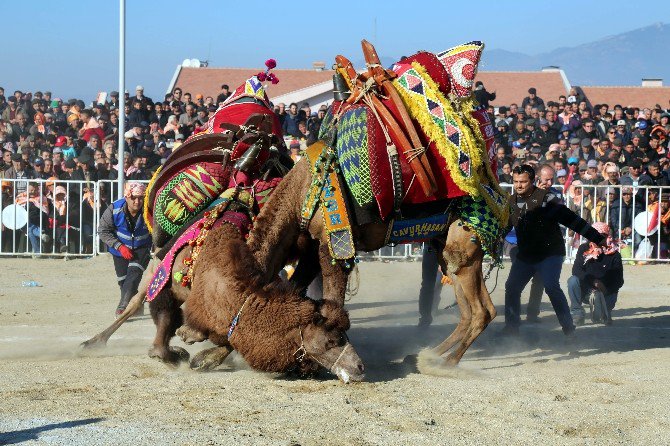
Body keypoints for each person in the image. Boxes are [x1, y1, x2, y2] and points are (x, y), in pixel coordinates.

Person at [503, 164, 606, 336]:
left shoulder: (547, 198)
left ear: (533, 180)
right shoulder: (512, 201)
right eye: (515, 182)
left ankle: (568, 327)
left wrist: (597, 237)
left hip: (550, 253)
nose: (518, 185)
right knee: (512, 287)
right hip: (527, 254)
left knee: (551, 286)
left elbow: (570, 219)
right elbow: (504, 227)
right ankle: (511, 327)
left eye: (523, 182)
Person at [98, 182, 151, 317]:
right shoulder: (114, 209)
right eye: (133, 198)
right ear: (126, 197)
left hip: (142, 247)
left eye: (141, 198)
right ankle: (136, 307)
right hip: (119, 249)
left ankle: (122, 308)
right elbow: (103, 231)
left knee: (133, 275)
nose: (137, 202)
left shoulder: (149, 211)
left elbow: (158, 230)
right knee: (123, 281)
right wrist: (119, 246)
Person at [567, 223, 624, 325]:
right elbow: (576, 270)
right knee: (572, 280)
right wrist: (593, 282)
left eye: (601, 235)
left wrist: (605, 289)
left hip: (606, 292)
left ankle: (605, 311)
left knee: (603, 320)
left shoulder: (615, 254)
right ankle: (577, 313)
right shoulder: (584, 249)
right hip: (587, 288)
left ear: (607, 236)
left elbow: (619, 280)